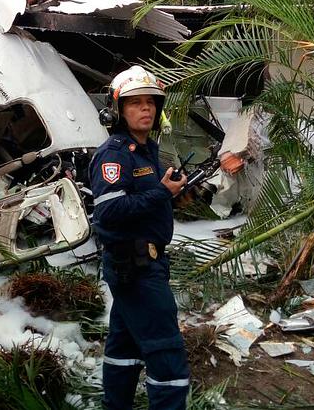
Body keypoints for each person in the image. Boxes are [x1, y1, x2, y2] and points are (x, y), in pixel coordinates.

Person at [90, 65, 190, 410]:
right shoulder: (114, 154)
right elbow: (109, 211)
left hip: (146, 261)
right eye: (135, 103)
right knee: (166, 350)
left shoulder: (147, 150)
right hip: (135, 266)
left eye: (151, 102)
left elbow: (147, 197)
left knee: (125, 346)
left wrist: (173, 188)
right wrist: (162, 193)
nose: (145, 109)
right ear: (118, 110)